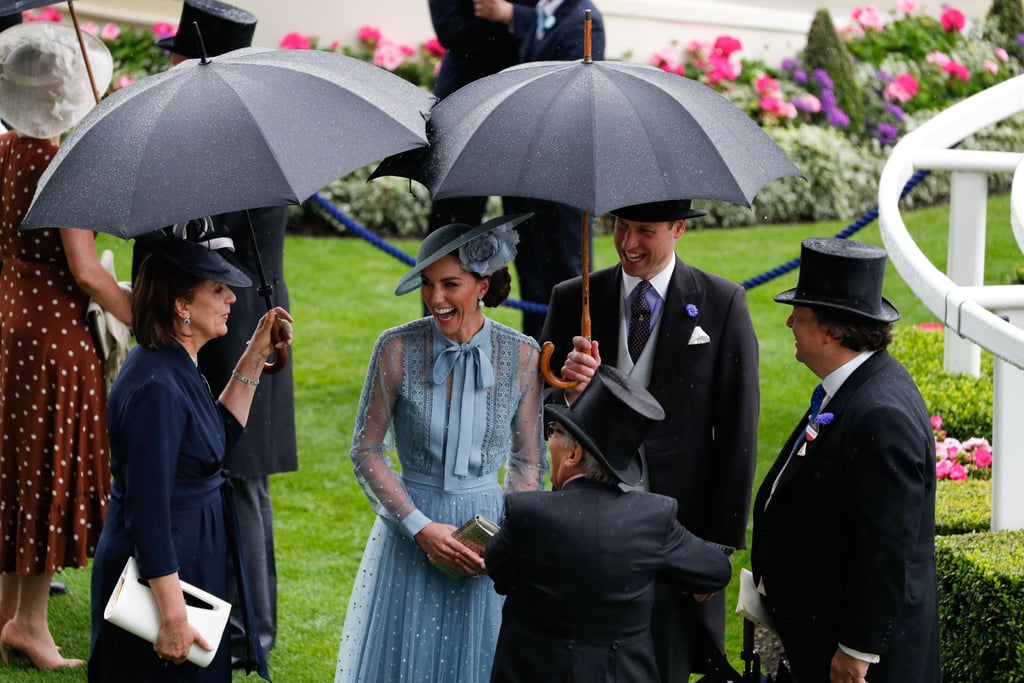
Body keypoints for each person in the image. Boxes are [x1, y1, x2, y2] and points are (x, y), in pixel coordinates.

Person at [540, 198, 759, 682]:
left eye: (645, 230)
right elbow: (544, 417)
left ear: (679, 228)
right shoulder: (572, 298)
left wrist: (716, 547)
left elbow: (738, 430)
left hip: (678, 523)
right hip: (589, 520)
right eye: (620, 226)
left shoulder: (723, 304)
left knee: (667, 660)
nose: (628, 243)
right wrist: (575, 395)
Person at [334, 214, 547, 683]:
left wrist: (505, 540)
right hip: (411, 531)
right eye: (428, 284)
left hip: (487, 535)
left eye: (450, 284)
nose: (435, 298)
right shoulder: (395, 349)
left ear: (482, 284)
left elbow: (529, 461)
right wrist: (419, 527)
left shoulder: (523, 354)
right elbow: (366, 450)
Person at [148, 0, 297, 666]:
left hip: (242, 328)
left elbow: (221, 255)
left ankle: (250, 635)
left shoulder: (246, 144)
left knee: (241, 479)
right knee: (211, 479)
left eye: (183, 58)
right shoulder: (192, 141)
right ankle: (220, 618)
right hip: (202, 326)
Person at [89, 237, 291, 683]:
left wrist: (255, 356)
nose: (232, 298)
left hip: (189, 560)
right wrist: (174, 616)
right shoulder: (155, 388)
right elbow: (148, 514)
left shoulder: (176, 362)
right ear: (182, 305)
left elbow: (216, 437)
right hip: (162, 574)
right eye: (218, 289)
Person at [751, 238, 940, 683]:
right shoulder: (857, 388)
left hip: (858, 666)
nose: (788, 322)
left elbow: (885, 547)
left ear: (830, 332)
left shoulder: (879, 413)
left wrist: (857, 650)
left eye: (798, 314)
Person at [0, 22, 126, 670]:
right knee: (45, 472)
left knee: (16, 471)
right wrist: (145, 316)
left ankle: (8, 613)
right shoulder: (58, 165)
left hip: (12, 323)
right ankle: (30, 624)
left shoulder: (5, 150)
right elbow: (85, 269)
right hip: (53, 340)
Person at [486, 364, 733, 683]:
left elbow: (499, 571)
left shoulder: (529, 513)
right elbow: (715, 571)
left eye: (554, 433)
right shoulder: (654, 517)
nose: (549, 441)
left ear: (573, 454)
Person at [473, 0, 606, 340]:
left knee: (566, 277)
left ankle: (568, 366)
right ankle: (536, 362)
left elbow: (572, 98)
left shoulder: (582, 19)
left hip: (562, 181)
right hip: (526, 181)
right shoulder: (543, 14)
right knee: (532, 278)